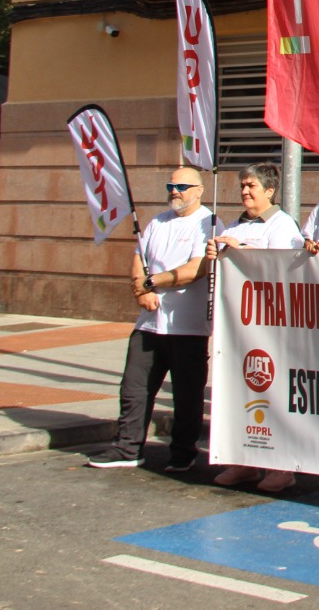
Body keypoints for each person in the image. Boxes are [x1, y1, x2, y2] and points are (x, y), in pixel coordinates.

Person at [87, 167, 218, 472]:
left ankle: (183, 452)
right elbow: (138, 257)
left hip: (188, 326)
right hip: (148, 323)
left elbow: (197, 268)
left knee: (187, 395)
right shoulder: (157, 221)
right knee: (134, 388)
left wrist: (152, 281)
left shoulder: (209, 223)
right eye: (170, 185)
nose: (175, 191)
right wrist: (140, 290)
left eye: (182, 186)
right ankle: (127, 448)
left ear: (199, 190)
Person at [207, 163, 305, 493]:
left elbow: (284, 268)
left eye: (251, 186)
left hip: (273, 327)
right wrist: (217, 253)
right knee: (240, 393)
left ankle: (280, 467)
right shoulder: (236, 224)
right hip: (239, 328)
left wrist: (242, 252)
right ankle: (243, 461)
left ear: (270, 191)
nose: (245, 191)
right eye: (243, 186)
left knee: (274, 395)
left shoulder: (282, 225)